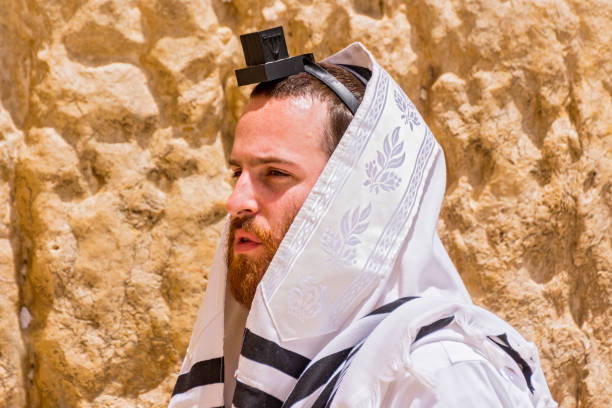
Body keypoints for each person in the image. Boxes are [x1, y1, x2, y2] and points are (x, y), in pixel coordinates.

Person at [168, 28, 557, 408]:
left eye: (275, 173)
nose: (236, 202)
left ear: (350, 196)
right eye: (238, 174)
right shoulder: (268, 372)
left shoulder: (434, 376)